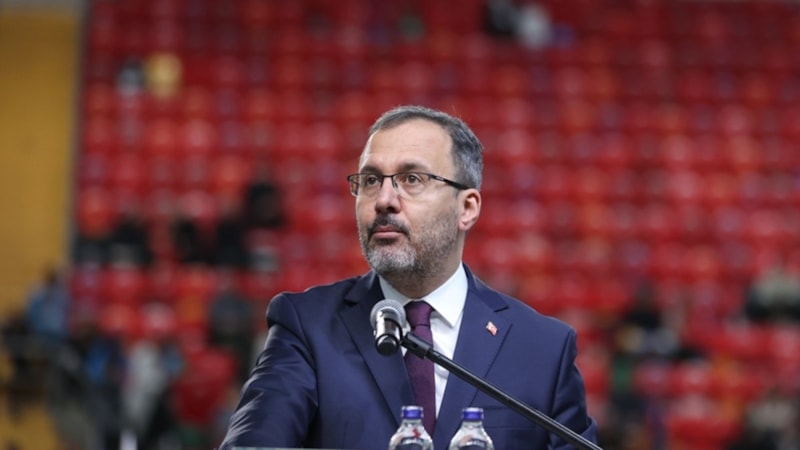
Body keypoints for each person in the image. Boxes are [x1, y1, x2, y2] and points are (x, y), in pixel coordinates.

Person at [219, 105, 598, 450]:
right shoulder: (307, 326)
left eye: (412, 179)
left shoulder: (543, 348)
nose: (384, 199)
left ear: (466, 207)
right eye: (370, 180)